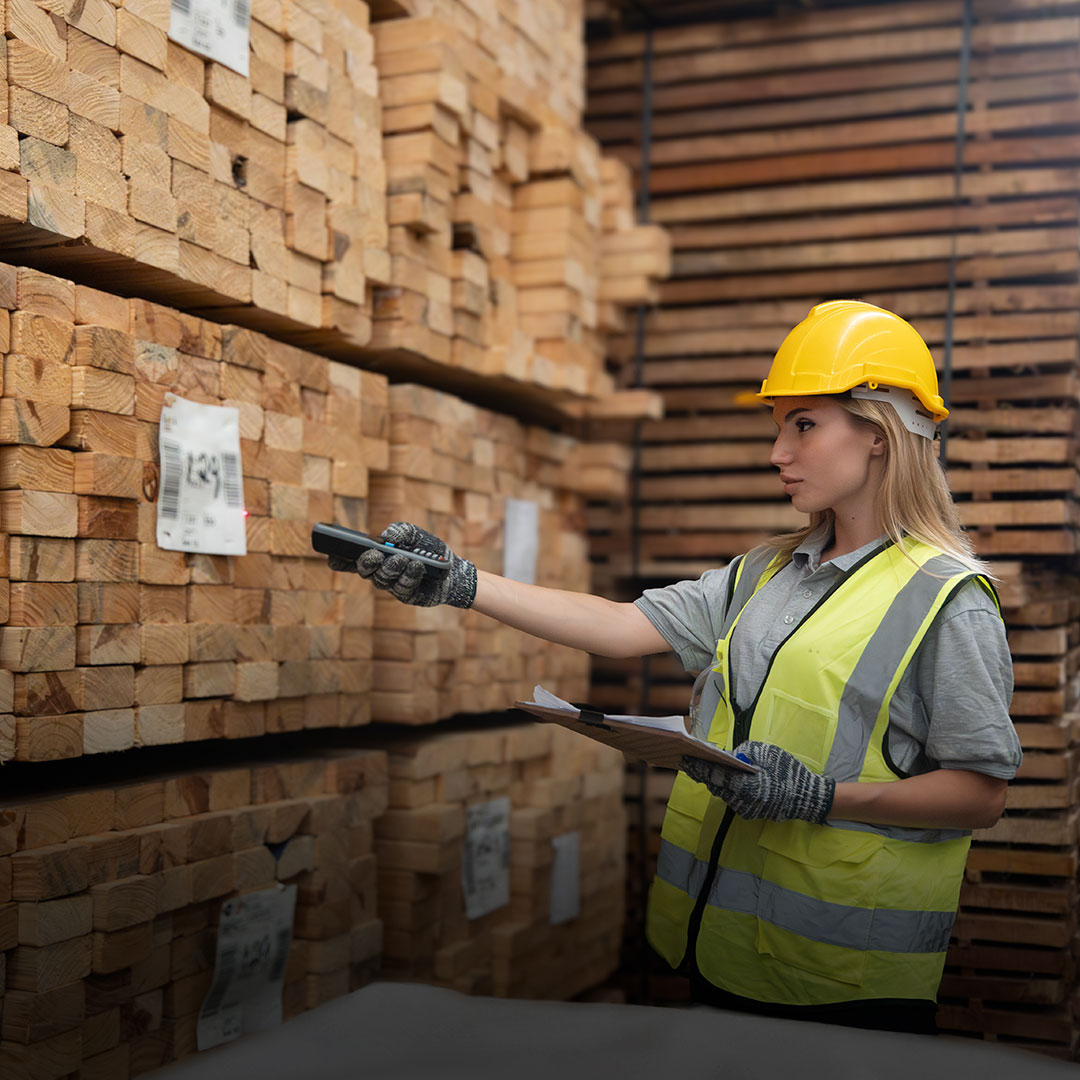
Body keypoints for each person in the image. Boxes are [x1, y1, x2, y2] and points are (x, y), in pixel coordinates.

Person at [326, 300, 1021, 1035]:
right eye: (779, 427)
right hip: (719, 948)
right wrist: (462, 583)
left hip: (843, 984)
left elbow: (981, 793)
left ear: (878, 434)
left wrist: (822, 797)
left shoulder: (947, 599)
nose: (777, 452)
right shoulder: (766, 573)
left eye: (803, 424)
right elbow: (622, 625)